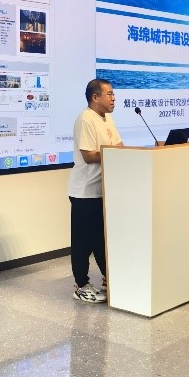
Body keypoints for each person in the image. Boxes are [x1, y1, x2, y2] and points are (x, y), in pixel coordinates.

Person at [67, 78, 123, 303]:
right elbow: (89, 155)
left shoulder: (107, 118)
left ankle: (108, 277)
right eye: (109, 94)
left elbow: (119, 146)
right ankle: (81, 285)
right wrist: (114, 153)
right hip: (84, 191)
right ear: (95, 97)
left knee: (101, 240)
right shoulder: (86, 119)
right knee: (83, 242)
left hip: (102, 190)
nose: (113, 98)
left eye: (113, 94)